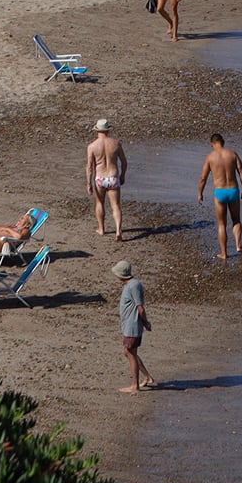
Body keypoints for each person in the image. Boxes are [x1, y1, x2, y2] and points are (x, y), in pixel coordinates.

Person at [196, 134, 242, 260]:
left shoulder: (210, 157)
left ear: (212, 144)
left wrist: (200, 193)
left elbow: (203, 177)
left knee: (221, 224)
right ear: (223, 142)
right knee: (236, 220)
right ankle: (238, 244)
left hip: (219, 192)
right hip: (233, 190)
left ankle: (224, 253)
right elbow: (241, 171)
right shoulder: (232, 154)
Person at [114, 261, 155, 393]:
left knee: (131, 353)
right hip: (128, 325)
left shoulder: (133, 286)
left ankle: (134, 385)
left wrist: (146, 323)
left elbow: (140, 308)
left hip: (132, 325)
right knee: (128, 352)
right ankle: (147, 377)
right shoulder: (130, 285)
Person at [87, 118, 128, 241]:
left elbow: (89, 167)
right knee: (115, 205)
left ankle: (101, 229)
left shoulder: (92, 146)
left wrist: (88, 183)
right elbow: (124, 162)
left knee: (100, 203)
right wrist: (122, 176)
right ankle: (118, 231)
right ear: (108, 130)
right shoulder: (115, 143)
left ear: (97, 130)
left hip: (100, 178)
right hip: (112, 176)